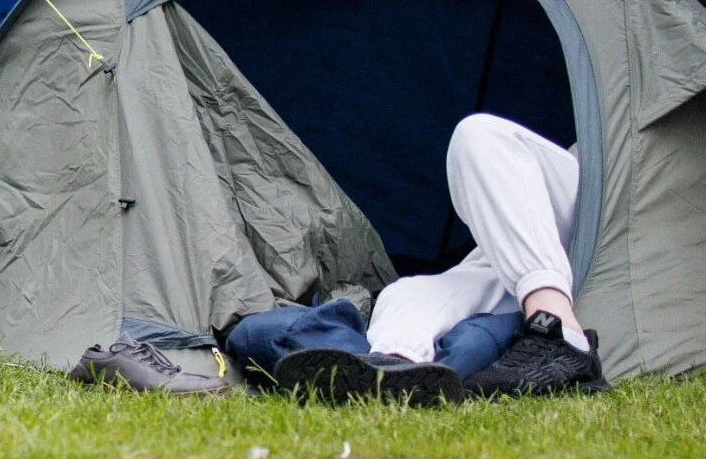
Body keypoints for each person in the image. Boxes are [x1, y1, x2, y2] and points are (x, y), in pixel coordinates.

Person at [225, 113, 607, 401]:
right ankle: (392, 367)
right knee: (404, 293)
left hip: (613, 202)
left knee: (480, 136)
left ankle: (559, 332)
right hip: (539, 236)